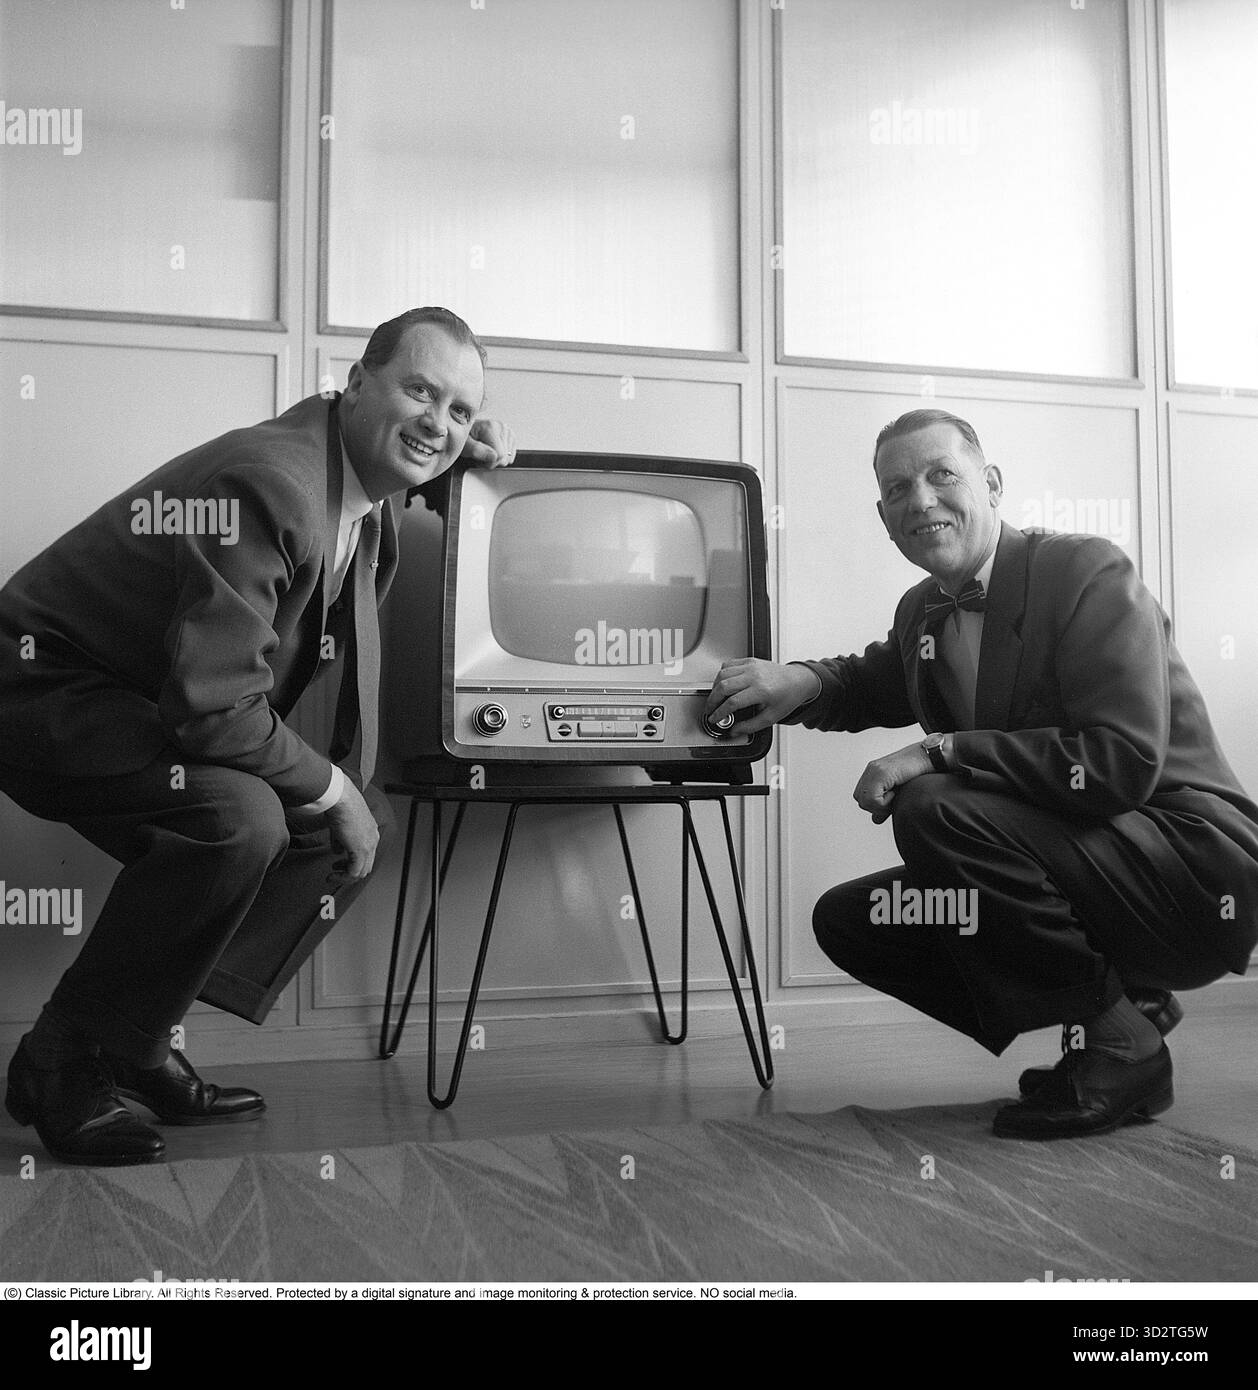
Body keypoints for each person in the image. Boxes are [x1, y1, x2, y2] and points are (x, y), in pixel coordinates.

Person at [0, 306, 516, 1165]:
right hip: (38, 689)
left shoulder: (356, 477)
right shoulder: (269, 481)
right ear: (354, 383)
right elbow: (211, 705)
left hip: (140, 701)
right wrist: (330, 783)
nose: (437, 423)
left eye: (458, 410)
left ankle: (138, 1036)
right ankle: (64, 1057)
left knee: (349, 827)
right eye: (418, 390)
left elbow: (408, 459)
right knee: (245, 819)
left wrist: (462, 442)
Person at [705, 408, 1258, 1139]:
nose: (922, 500)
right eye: (899, 489)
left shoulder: (1084, 572)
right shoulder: (922, 613)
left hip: (1188, 871)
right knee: (856, 921)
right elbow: (870, 681)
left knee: (933, 806)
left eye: (942, 475)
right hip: (1085, 878)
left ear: (991, 483)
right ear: (884, 516)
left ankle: (1123, 1044)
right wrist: (797, 681)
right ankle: (1121, 1014)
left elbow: (1119, 766)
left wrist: (940, 751)